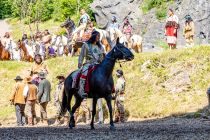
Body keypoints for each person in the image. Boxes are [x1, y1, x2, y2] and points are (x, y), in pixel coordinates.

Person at [78, 30, 105, 98]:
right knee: (84, 73)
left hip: (98, 64)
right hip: (88, 63)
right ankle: (81, 91)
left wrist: (103, 58)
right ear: (93, 36)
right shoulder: (86, 45)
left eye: (99, 36)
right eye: (97, 36)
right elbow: (81, 55)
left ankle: (107, 89)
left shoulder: (100, 46)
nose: (99, 38)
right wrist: (80, 63)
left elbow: (102, 56)